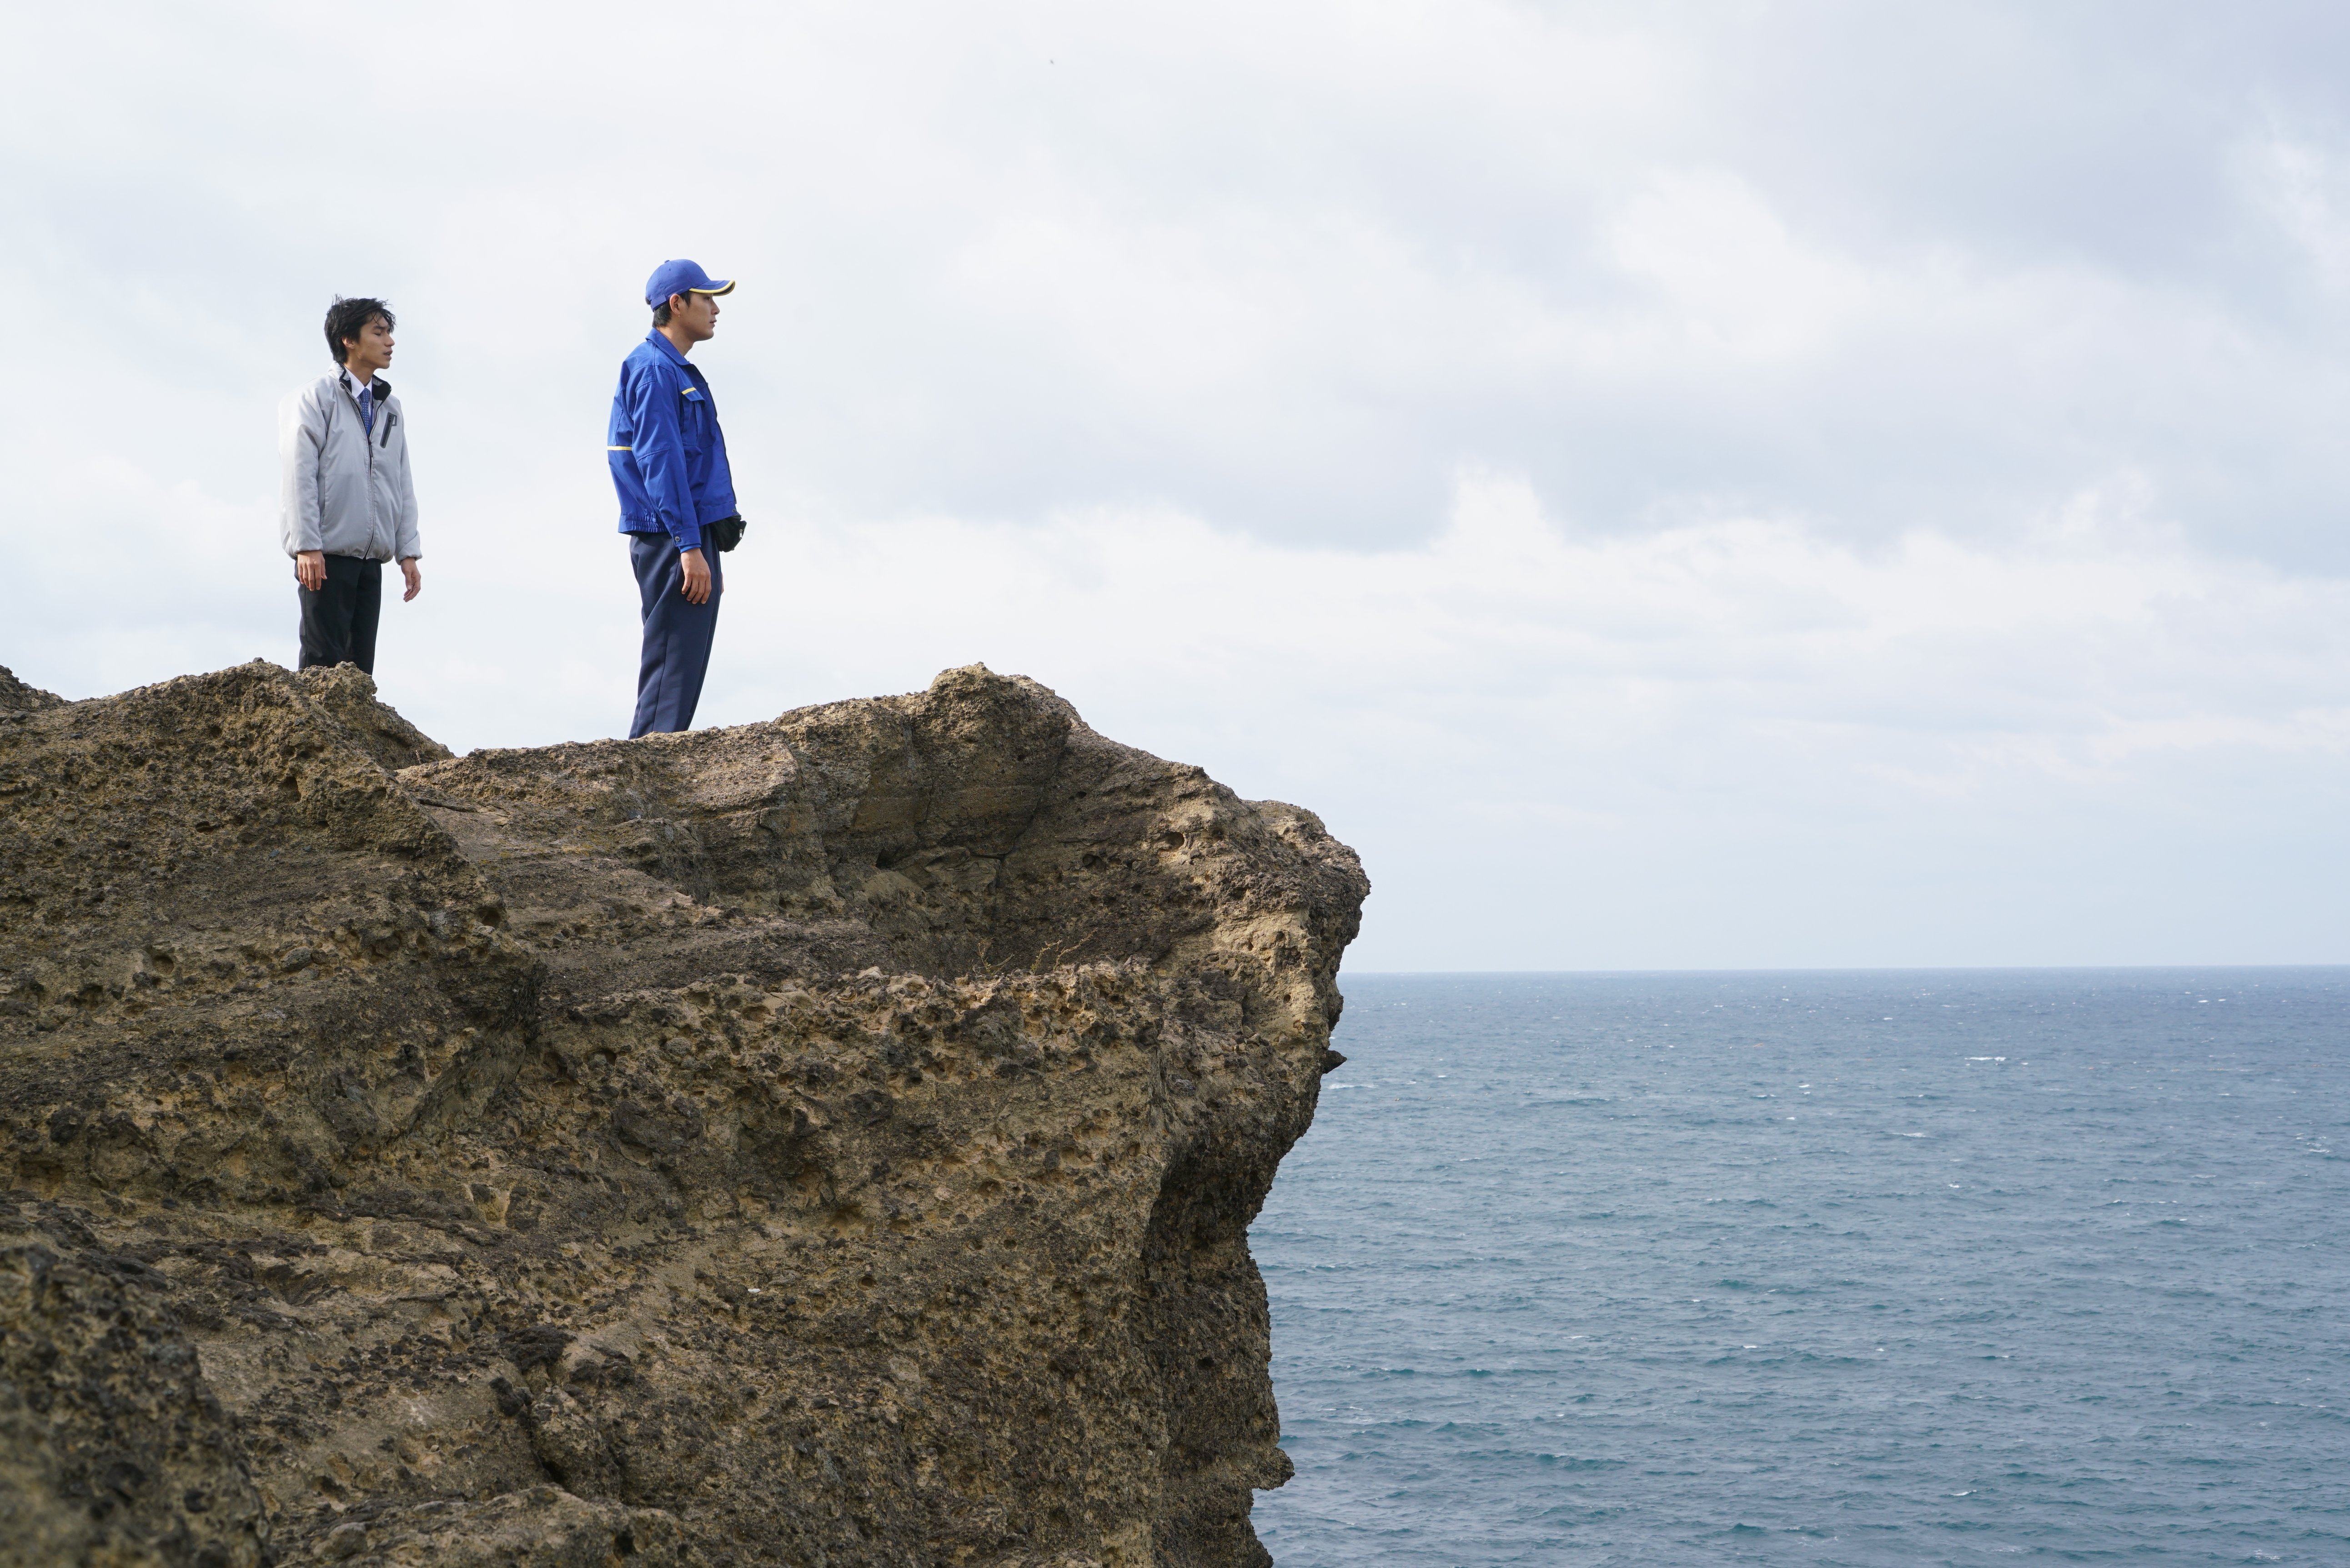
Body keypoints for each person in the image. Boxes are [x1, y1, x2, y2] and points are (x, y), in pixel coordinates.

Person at [609, 259, 743, 737]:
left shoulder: (673, 368)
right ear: (676, 303)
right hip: (670, 536)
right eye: (706, 299)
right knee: (670, 672)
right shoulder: (652, 369)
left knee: (680, 669)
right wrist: (689, 548)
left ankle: (647, 785)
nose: (714, 309)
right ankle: (639, 790)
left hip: (685, 535)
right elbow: (661, 462)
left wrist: (705, 549)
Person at [277, 297, 422, 674]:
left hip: (371, 558)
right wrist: (307, 545)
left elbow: (401, 480)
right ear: (349, 340)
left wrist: (408, 551)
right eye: (379, 332)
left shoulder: (390, 408)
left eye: (389, 332)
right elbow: (299, 474)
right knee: (321, 668)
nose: (389, 341)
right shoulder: (314, 398)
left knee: (360, 675)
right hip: (324, 556)